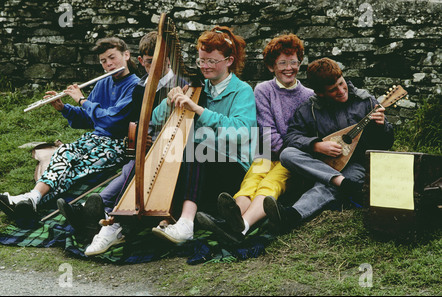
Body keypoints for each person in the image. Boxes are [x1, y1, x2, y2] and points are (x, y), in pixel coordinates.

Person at [55, 31, 188, 254]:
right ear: (140, 61)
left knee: (133, 177)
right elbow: (133, 121)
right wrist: (137, 137)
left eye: (157, 63)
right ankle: (92, 215)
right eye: (147, 63)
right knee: (127, 174)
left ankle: (103, 221)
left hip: (171, 151)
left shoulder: (184, 84)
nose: (152, 68)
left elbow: (184, 125)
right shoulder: (141, 86)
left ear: (169, 59)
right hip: (143, 150)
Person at [0, 37, 140, 220]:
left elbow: (112, 120)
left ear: (126, 55)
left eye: (112, 58)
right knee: (64, 152)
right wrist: (64, 108)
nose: (109, 64)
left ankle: (24, 201)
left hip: (117, 145)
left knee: (74, 169)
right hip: (94, 138)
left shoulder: (136, 86)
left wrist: (81, 100)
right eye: (103, 61)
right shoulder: (104, 83)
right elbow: (88, 118)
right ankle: (30, 200)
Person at [195, 34, 314, 243]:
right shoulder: (263, 90)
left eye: (293, 62)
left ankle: (243, 228)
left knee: (270, 184)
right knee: (251, 181)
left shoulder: (310, 96)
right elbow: (266, 130)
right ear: (271, 67)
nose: (289, 68)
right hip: (267, 152)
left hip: (293, 159)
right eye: (282, 63)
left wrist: (289, 152)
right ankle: (231, 219)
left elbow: (308, 134)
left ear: (300, 63)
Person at [150, 26, 257, 244]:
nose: (205, 67)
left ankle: (186, 222)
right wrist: (169, 101)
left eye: (211, 61)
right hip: (201, 165)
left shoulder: (242, 91)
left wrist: (199, 111)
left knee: (196, 148)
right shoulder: (197, 88)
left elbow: (241, 132)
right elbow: (154, 120)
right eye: (201, 61)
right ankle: (116, 221)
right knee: (165, 154)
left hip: (233, 167)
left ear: (229, 60)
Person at [263, 57, 394, 231]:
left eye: (342, 83)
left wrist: (382, 126)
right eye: (333, 90)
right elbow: (291, 137)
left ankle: (291, 215)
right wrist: (316, 145)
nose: (341, 91)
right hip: (321, 164)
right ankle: (343, 183)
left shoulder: (366, 102)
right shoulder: (309, 109)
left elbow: (385, 144)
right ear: (320, 93)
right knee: (287, 154)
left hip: (355, 165)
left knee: (327, 185)